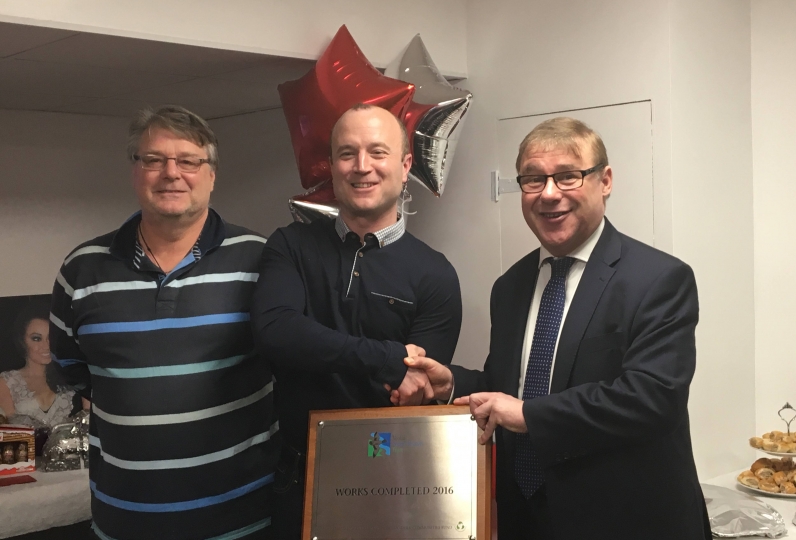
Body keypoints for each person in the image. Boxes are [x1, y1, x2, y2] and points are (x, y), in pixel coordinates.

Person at [401, 117, 711, 539]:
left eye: (567, 177)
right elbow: (516, 385)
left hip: (626, 521)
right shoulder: (510, 286)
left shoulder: (658, 280)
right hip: (527, 518)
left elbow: (652, 399)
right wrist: (451, 384)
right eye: (533, 179)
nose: (549, 194)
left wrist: (528, 415)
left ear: (605, 181)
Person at [50, 106, 276, 540]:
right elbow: (76, 376)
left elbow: (289, 366)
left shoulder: (263, 261)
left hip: (241, 522)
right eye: (153, 159)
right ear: (135, 171)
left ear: (212, 174)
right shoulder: (80, 270)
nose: (171, 173)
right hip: (125, 521)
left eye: (189, 160)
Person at [251, 103, 462, 539]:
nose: (361, 167)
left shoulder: (435, 273)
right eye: (347, 153)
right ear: (331, 166)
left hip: (395, 487)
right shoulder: (290, 246)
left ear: (405, 166)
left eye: (377, 152)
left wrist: (323, 347)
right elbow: (277, 333)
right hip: (298, 480)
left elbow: (416, 388)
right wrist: (387, 358)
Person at [0, 301, 74, 427]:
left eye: (50, 338)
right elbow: (9, 431)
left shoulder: (69, 376)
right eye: (36, 339)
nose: (46, 346)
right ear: (23, 341)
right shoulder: (7, 382)